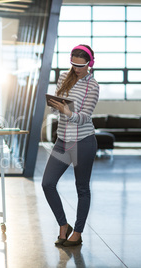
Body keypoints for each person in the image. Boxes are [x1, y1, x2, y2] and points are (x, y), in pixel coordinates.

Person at [42, 44, 99, 247]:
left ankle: (78, 232)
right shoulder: (63, 78)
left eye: (81, 65)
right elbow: (60, 105)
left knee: (82, 188)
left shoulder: (93, 86)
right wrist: (56, 107)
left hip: (83, 142)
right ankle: (63, 225)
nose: (76, 69)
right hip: (63, 140)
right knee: (47, 183)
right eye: (73, 64)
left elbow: (84, 117)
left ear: (89, 64)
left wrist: (68, 113)